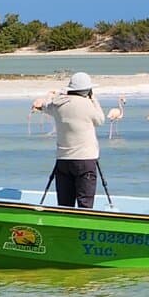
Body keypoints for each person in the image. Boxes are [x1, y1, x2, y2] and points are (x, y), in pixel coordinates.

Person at [43, 72, 105, 208]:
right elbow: (100, 120)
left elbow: (45, 106)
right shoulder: (87, 104)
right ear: (88, 90)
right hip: (85, 159)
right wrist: (94, 99)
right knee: (85, 204)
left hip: (63, 160)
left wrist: (61, 94)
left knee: (65, 205)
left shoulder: (57, 104)